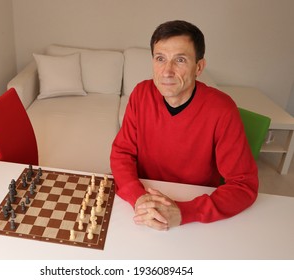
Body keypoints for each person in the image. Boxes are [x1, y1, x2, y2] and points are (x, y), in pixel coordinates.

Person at [110, 20, 258, 231]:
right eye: (160, 58)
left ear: (199, 67)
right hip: (144, 202)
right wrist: (138, 197)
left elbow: (244, 185)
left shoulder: (222, 109)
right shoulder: (141, 94)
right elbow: (121, 154)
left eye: (180, 60)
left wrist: (185, 212)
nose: (167, 71)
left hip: (194, 207)